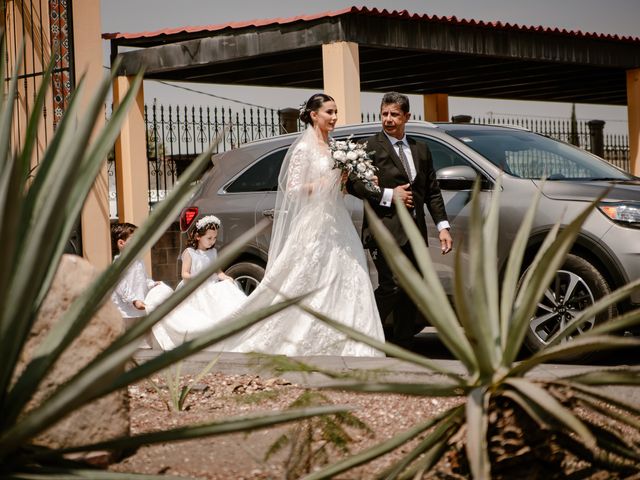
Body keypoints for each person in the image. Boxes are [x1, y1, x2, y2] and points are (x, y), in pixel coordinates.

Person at [219, 93, 385, 357]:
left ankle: (350, 342)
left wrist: (346, 179)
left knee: (348, 276)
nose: (334, 117)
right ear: (313, 115)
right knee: (305, 277)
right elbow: (293, 190)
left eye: (335, 112)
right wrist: (328, 181)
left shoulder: (336, 148)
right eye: (329, 112)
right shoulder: (303, 149)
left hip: (337, 220)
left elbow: (339, 190)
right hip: (314, 224)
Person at [347, 92, 453, 350]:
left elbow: (432, 191)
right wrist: (388, 195)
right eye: (384, 114)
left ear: (407, 116)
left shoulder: (421, 149)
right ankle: (362, 332)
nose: (388, 119)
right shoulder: (370, 146)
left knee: (411, 288)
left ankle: (404, 344)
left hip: (414, 232)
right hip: (384, 229)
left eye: (394, 114)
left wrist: (443, 227)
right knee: (391, 285)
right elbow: (353, 184)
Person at [149, 215, 248, 350]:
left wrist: (225, 277)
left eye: (214, 238)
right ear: (198, 237)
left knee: (227, 288)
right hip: (193, 287)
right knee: (202, 305)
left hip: (210, 286)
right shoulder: (190, 253)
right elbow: (184, 274)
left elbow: (217, 270)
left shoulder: (213, 252)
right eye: (209, 238)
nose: (212, 242)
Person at [110, 222, 157, 348]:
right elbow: (120, 285)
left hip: (140, 306)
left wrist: (152, 284)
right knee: (125, 341)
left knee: (144, 341)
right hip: (125, 311)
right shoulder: (119, 263)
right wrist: (133, 300)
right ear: (121, 243)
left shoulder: (138, 260)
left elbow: (144, 278)